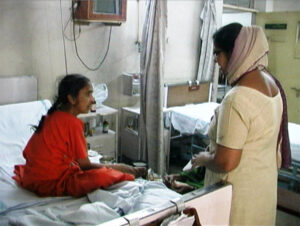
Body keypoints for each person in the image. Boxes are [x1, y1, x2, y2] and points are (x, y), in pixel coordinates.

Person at [191, 23, 291, 225]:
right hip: (262, 191)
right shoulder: (273, 85)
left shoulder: (237, 98)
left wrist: (203, 158)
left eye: (218, 53)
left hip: (237, 197)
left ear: (235, 53)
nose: (216, 61)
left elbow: (226, 162)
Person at [13, 74, 146, 197]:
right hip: (50, 183)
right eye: (88, 94)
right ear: (71, 98)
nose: (93, 100)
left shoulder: (52, 116)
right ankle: (131, 172)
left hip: (33, 178)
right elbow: (85, 166)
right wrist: (120, 168)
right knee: (104, 175)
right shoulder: (72, 123)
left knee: (100, 171)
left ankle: (129, 170)